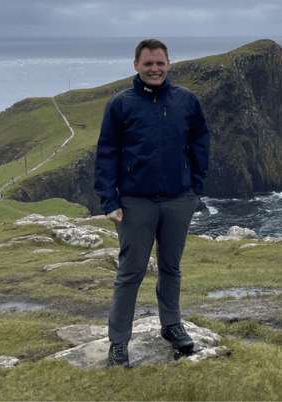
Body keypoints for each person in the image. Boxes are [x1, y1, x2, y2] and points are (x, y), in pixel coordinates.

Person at [94, 38, 210, 368]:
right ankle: (118, 343)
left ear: (168, 64)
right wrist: (109, 200)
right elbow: (106, 154)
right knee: (130, 273)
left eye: (160, 63)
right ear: (136, 66)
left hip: (178, 200)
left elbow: (201, 142)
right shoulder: (121, 104)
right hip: (135, 203)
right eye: (148, 63)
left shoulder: (186, 101)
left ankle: (171, 325)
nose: (155, 69)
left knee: (171, 268)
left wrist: (194, 188)